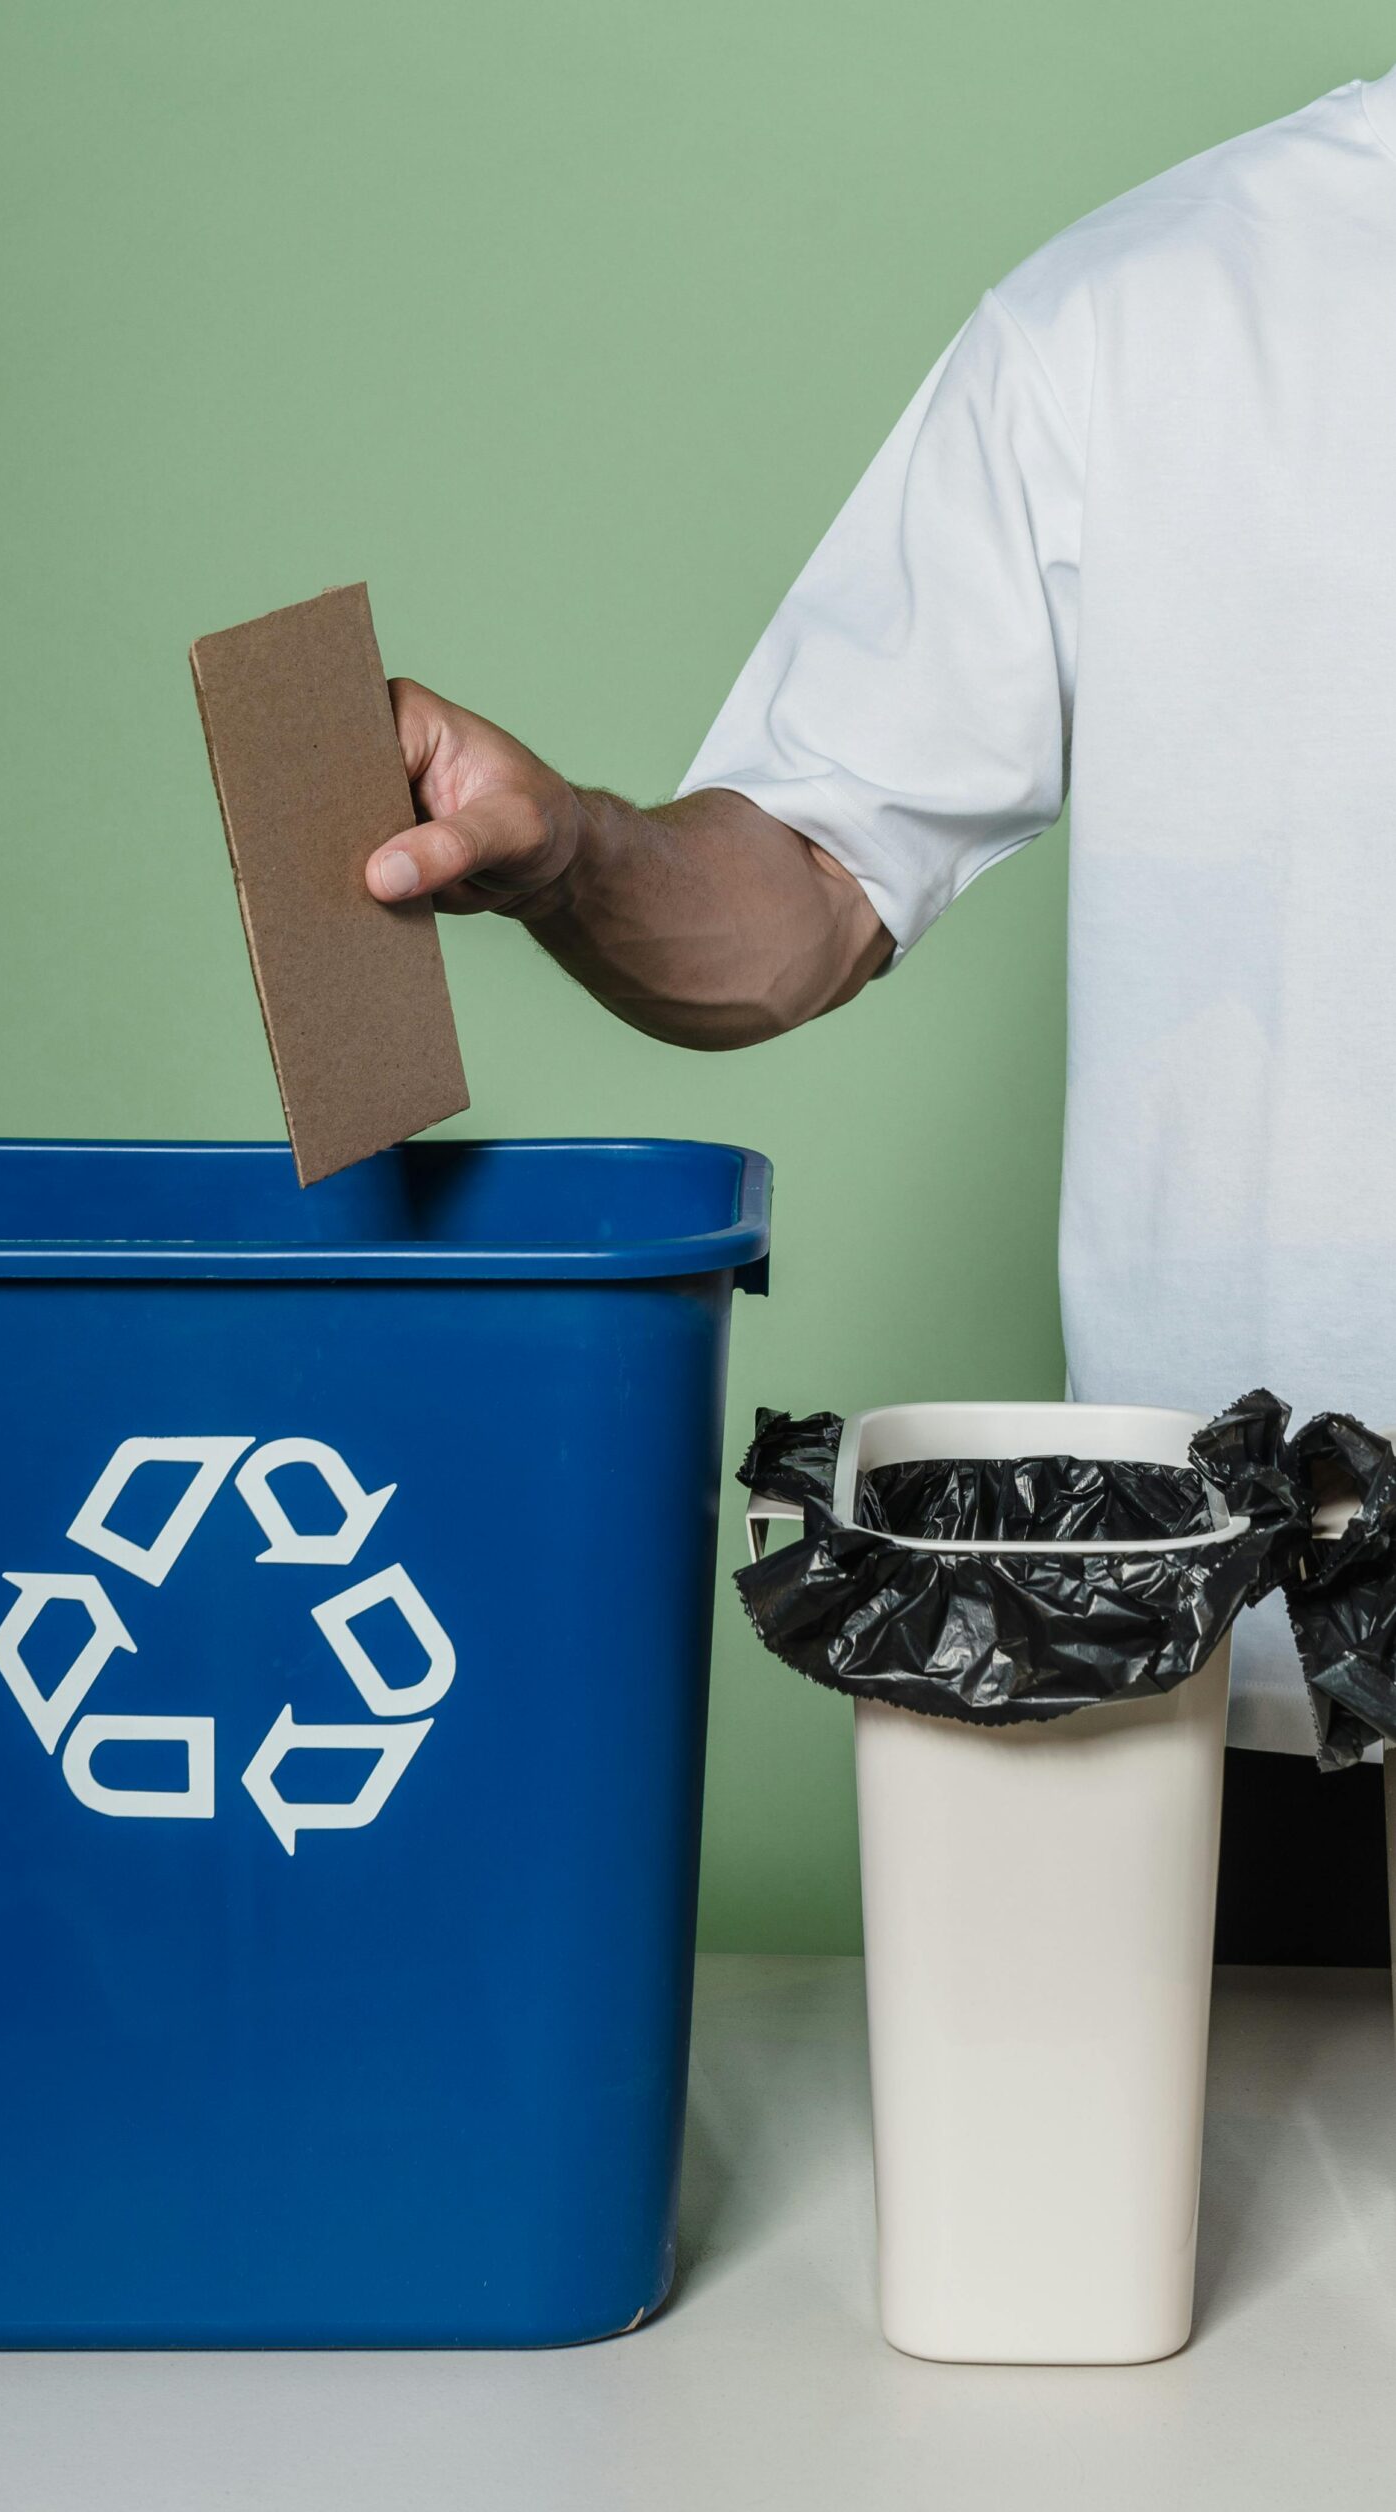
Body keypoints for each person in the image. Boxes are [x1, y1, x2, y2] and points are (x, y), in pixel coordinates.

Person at [363, 62, 1396, 1952]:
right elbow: (804, 895)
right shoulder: (1139, 320)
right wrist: (575, 849)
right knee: (1230, 2242)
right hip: (1284, 1693)